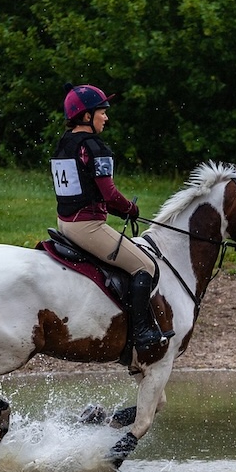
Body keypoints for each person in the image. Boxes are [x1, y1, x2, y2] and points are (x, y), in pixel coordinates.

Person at [50, 83, 166, 355]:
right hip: (86, 227)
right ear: (86, 115)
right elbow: (109, 193)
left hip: (64, 222)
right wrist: (130, 209)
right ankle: (141, 332)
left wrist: (117, 208)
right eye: (102, 112)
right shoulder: (94, 147)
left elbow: (87, 190)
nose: (106, 117)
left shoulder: (64, 143)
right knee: (145, 266)